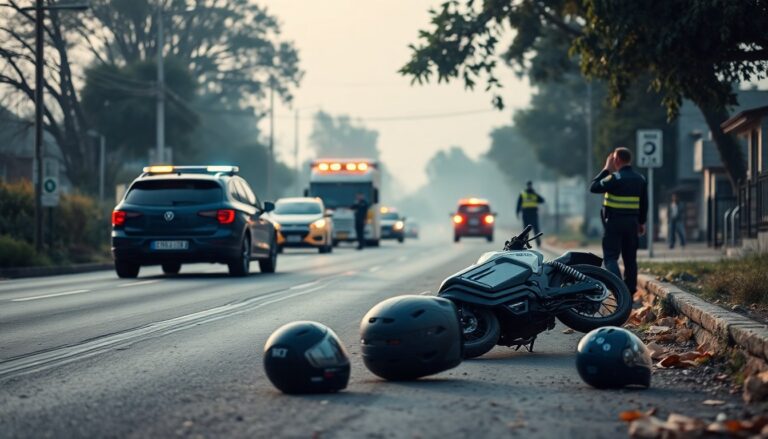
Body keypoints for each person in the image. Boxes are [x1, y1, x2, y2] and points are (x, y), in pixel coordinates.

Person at [589, 147, 648, 293]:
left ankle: (618, 290)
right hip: (632, 223)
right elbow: (644, 203)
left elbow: (594, 187)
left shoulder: (615, 178)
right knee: (630, 259)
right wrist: (641, 222)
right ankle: (630, 291)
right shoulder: (640, 179)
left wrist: (606, 169)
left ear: (617, 160)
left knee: (610, 257)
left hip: (614, 223)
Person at [516, 181, 545, 246]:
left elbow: (542, 200)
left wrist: (517, 213)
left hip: (532, 213)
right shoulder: (524, 194)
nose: (529, 186)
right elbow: (518, 204)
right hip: (528, 213)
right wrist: (517, 212)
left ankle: (538, 241)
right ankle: (526, 242)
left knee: (535, 228)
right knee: (526, 230)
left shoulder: (534, 194)